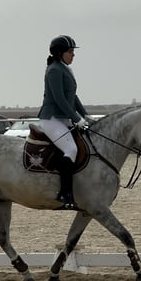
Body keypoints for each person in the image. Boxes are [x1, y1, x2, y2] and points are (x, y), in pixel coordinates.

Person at [37, 35, 93, 209]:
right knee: (71, 148)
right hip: (52, 118)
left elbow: (73, 97)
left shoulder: (65, 68)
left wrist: (85, 115)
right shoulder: (54, 70)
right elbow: (60, 99)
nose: (73, 55)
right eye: (70, 51)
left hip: (63, 118)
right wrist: (77, 119)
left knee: (85, 143)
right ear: (60, 52)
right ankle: (65, 192)